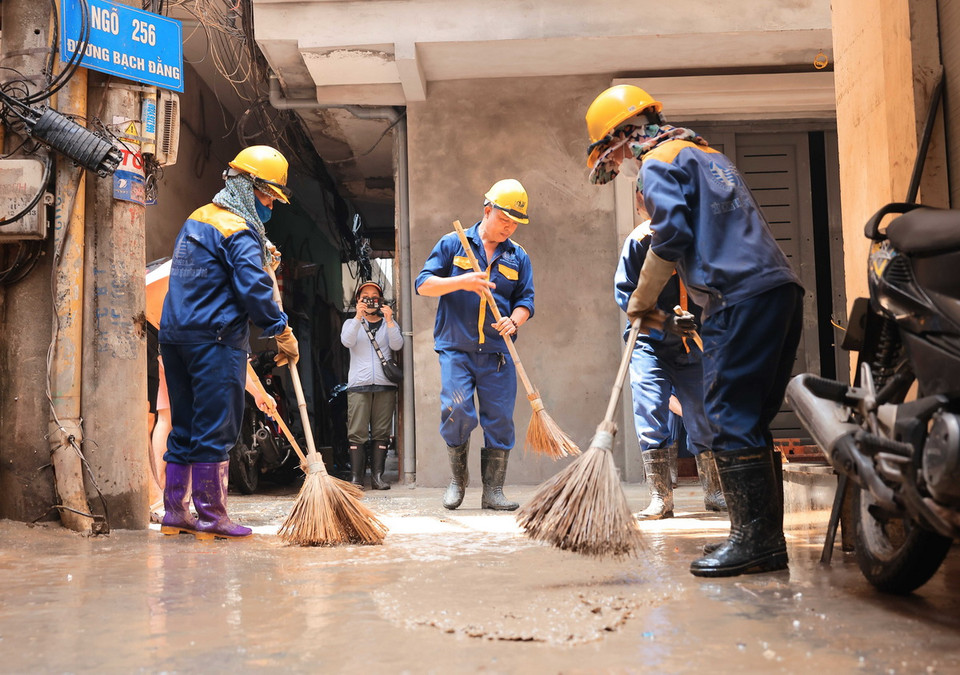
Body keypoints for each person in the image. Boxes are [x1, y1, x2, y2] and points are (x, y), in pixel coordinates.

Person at [586, 85, 803, 577]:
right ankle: (762, 540)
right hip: (777, 289)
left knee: (728, 414)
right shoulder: (707, 154)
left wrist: (643, 295)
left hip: (737, 295)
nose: (620, 165)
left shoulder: (658, 162)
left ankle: (755, 542)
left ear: (623, 135)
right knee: (751, 419)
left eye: (614, 153)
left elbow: (675, 233)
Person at [159, 145, 299, 540]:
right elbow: (255, 290)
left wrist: (260, 251)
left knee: (184, 426)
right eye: (269, 194)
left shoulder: (199, 219)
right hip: (215, 340)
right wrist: (280, 329)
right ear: (250, 186)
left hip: (175, 337)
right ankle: (211, 517)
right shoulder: (239, 231)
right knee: (215, 428)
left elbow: (215, 271)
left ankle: (175, 513)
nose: (271, 203)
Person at [415, 179, 535, 511]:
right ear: (487, 210)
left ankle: (493, 491)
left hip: (498, 353)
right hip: (456, 349)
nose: (509, 227)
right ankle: (458, 480)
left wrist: (515, 320)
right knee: (456, 410)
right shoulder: (453, 244)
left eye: (515, 223)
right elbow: (423, 284)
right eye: (504, 219)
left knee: (499, 419)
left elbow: (526, 300)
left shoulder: (518, 256)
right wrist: (462, 282)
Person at [614, 219, 725, 520]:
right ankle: (660, 498)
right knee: (650, 407)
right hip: (650, 341)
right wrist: (665, 322)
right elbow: (627, 296)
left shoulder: (702, 238)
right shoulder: (639, 242)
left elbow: (720, 289)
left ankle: (715, 492)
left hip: (695, 343)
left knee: (704, 413)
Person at [340, 280, 403, 490]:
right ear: (358, 300)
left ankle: (377, 477)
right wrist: (358, 317)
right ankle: (357, 478)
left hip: (385, 385)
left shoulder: (388, 323)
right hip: (359, 384)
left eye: (374, 296)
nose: (369, 299)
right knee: (356, 431)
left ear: (381, 300)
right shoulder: (351, 324)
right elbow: (346, 342)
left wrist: (390, 320)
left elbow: (397, 345)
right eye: (365, 296)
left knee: (381, 432)